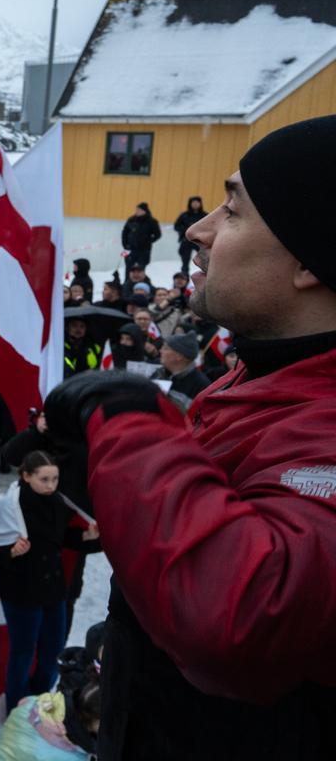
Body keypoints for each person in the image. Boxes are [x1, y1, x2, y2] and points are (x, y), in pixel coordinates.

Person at [44, 114, 336, 759]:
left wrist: (130, 422)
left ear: (310, 261)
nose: (198, 232)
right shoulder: (258, 379)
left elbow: (245, 616)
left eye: (231, 212)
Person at [0, 451, 101, 713]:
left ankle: (37, 702)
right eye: (44, 479)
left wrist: (86, 536)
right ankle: (17, 710)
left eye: (55, 479)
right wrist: (11, 551)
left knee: (53, 650)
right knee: (23, 652)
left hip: (53, 589)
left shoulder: (58, 501)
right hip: (21, 591)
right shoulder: (12, 505)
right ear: (26, 476)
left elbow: (60, 538)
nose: (51, 485)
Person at [157, 332, 211, 400]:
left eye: (165, 348)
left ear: (179, 356)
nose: (160, 351)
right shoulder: (160, 373)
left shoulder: (201, 386)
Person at [121, 202, 162, 280]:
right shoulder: (132, 219)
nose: (137, 211)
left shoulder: (151, 221)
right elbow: (125, 232)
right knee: (129, 269)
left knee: (140, 269)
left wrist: (148, 241)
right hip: (131, 249)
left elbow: (157, 234)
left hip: (144, 250)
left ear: (144, 211)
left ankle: (139, 286)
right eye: (136, 209)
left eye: (139, 210)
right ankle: (127, 286)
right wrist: (125, 244)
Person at [173, 196, 205, 276]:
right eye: (193, 202)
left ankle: (205, 274)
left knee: (204, 259)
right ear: (190, 204)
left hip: (200, 241)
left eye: (197, 202)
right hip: (186, 240)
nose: (195, 204)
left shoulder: (205, 215)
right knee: (185, 260)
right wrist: (185, 230)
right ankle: (184, 276)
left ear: (200, 204)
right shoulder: (184, 215)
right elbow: (176, 226)